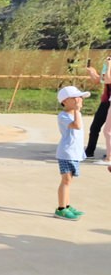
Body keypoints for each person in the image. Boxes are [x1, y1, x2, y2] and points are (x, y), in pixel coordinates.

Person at [55, 85, 90, 220]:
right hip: (66, 153)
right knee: (66, 180)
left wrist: (77, 111)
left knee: (69, 181)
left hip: (74, 153)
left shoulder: (77, 113)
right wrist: (76, 110)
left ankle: (67, 205)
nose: (79, 100)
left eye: (80, 97)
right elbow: (77, 126)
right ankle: (61, 209)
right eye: (75, 98)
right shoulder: (63, 116)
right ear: (65, 101)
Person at [84, 54, 111, 162]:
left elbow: (108, 79)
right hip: (106, 101)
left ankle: (109, 155)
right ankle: (89, 151)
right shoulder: (107, 65)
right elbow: (101, 80)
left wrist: (109, 65)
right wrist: (92, 72)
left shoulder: (109, 65)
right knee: (95, 126)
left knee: (108, 131)